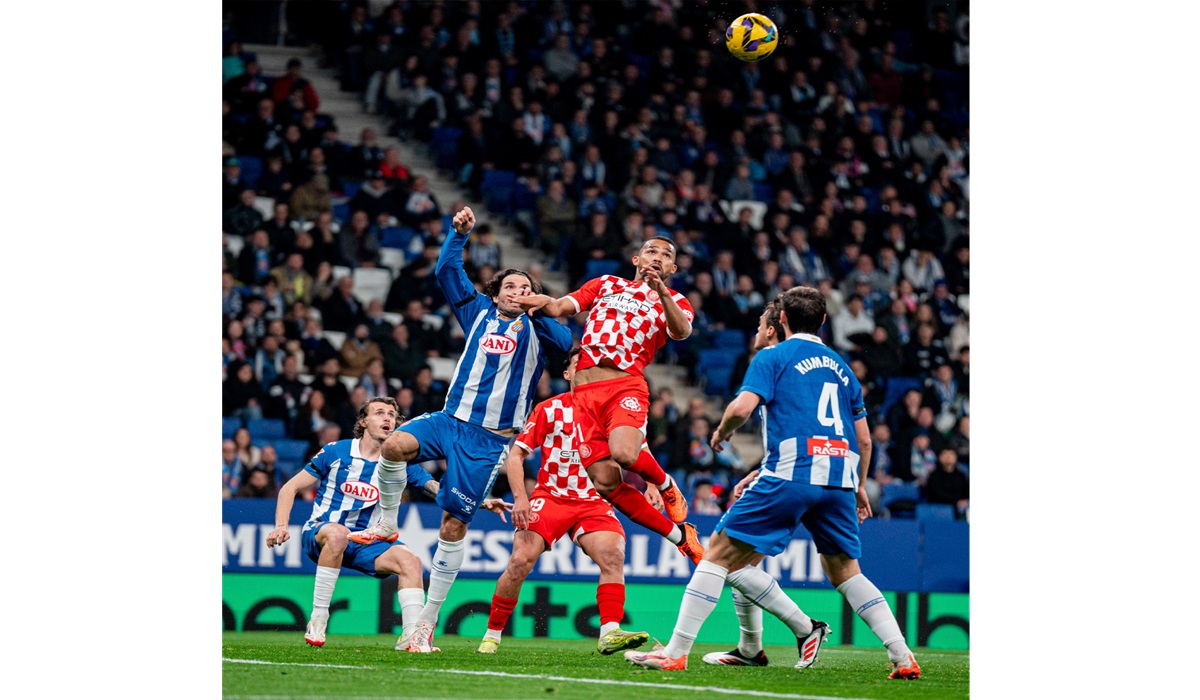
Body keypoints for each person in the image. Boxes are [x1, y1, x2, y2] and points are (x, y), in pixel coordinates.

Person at [625, 286, 920, 680]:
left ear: (781, 320)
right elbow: (864, 439)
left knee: (717, 553)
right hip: (839, 478)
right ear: (824, 321)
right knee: (846, 572)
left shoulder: (773, 356)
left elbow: (743, 406)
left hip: (794, 474)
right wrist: (859, 485)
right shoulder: (842, 366)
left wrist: (722, 431)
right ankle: (902, 657)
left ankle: (676, 652)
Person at [347, 207, 574, 654]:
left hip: (491, 440)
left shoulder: (540, 331)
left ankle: (426, 622)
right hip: (450, 419)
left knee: (453, 525)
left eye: (525, 288)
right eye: (509, 286)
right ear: (495, 291)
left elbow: (567, 345)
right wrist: (458, 235)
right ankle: (387, 523)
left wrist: (541, 307)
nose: (517, 292)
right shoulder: (475, 311)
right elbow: (447, 268)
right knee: (393, 445)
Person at [516, 236, 702, 564]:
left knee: (625, 453)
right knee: (605, 481)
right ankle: (680, 535)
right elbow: (560, 308)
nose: (657, 257)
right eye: (651, 251)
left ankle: (665, 483)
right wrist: (541, 298)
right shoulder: (605, 284)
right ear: (636, 259)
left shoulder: (674, 299)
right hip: (585, 394)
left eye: (665, 256)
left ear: (672, 268)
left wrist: (660, 291)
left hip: (624, 386)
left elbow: (682, 331)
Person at [477, 349, 649, 656]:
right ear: (568, 374)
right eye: (581, 365)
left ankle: (610, 631)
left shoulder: (615, 412)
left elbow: (638, 452)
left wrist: (652, 485)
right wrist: (520, 498)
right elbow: (516, 454)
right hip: (551, 498)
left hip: (594, 501)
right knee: (519, 560)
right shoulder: (550, 409)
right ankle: (492, 634)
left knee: (613, 556)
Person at [266, 397, 438, 650]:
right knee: (338, 534)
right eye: (380, 413)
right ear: (363, 422)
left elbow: (434, 487)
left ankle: (411, 638)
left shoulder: (399, 462)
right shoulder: (335, 451)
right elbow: (290, 488)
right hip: (323, 532)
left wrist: (475, 501)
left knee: (411, 562)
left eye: (392, 414)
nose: (388, 418)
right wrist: (281, 525)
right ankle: (319, 617)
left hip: (368, 540)